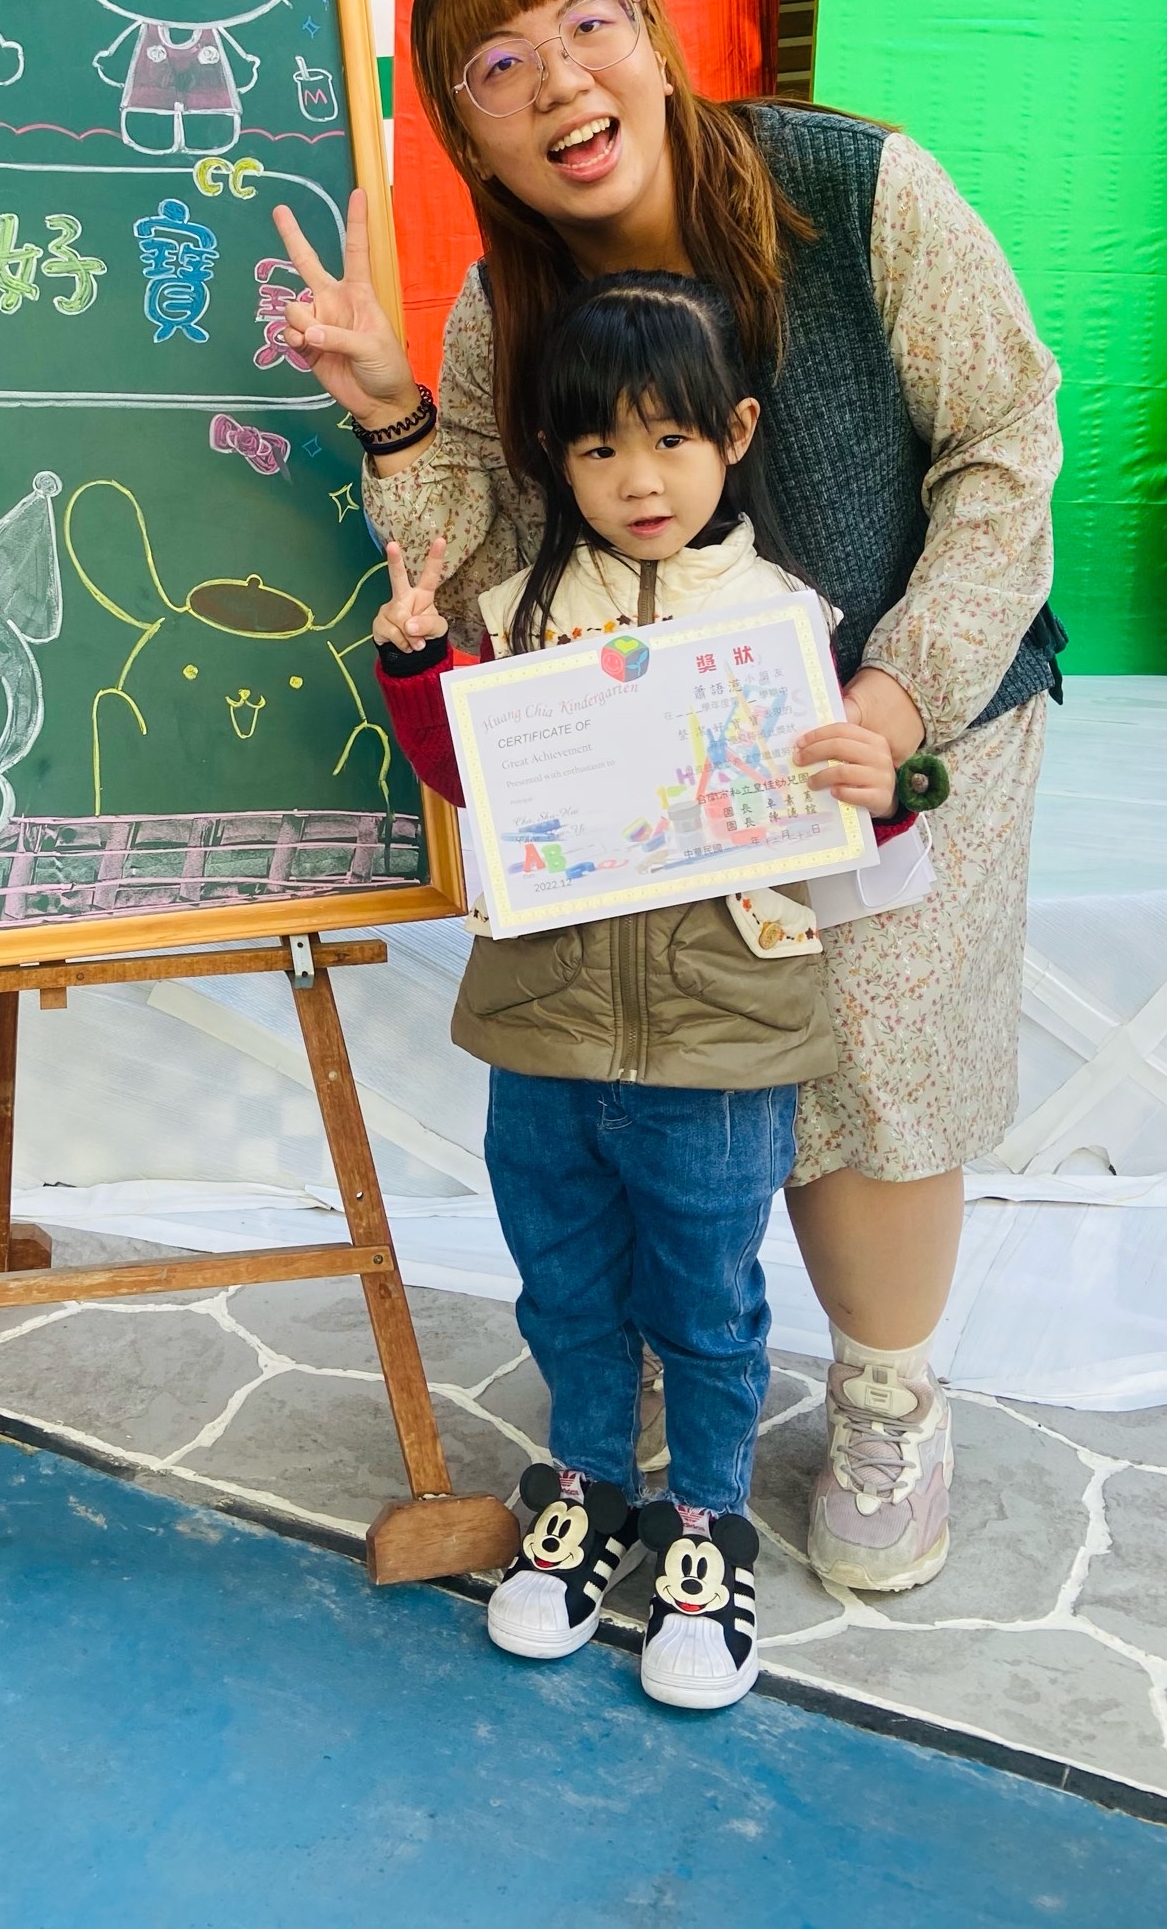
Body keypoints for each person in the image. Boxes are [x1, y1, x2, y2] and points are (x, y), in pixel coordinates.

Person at [270, 0, 1063, 1598]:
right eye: (497, 63)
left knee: (871, 1060)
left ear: (650, 26)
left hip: (895, 721)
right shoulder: (506, 297)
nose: (557, 78)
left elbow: (1006, 442)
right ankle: (638, 1352)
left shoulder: (858, 190)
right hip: (664, 777)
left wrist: (899, 693)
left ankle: (886, 1396)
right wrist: (396, 407)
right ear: (470, 127)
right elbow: (483, 557)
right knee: (640, 1057)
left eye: (586, 23)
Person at [374, 270, 919, 1709]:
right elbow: (468, 779)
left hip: (724, 1043)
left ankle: (707, 1525)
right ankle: (588, 1488)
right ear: (557, 462)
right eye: (600, 447)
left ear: (734, 434)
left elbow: (849, 821)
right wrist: (422, 671)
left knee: (707, 1300)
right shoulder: (521, 615)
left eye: (672, 439)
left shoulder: (790, 624)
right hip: (542, 1028)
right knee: (562, 1283)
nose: (640, 478)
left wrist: (887, 783)